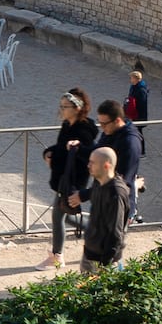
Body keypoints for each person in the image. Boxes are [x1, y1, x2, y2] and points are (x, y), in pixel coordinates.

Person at [42, 88, 99, 270]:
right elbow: (61, 147)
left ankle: (57, 256)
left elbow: (86, 154)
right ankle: (98, 231)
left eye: (65, 106)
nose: (62, 109)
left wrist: (75, 148)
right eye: (61, 106)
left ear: (77, 108)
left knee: (59, 216)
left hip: (73, 179)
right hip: (62, 177)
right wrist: (48, 152)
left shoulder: (85, 130)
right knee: (62, 215)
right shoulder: (67, 125)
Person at [80, 147, 130, 277]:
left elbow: (115, 234)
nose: (88, 165)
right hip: (89, 254)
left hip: (104, 261)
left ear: (106, 165)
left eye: (92, 162)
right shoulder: (98, 184)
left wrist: (105, 266)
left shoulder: (116, 193)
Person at [94, 100, 142, 219]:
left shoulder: (130, 143)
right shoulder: (110, 131)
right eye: (100, 123)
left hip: (119, 203)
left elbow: (122, 181)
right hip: (102, 197)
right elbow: (98, 150)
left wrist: (84, 195)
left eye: (104, 124)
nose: (102, 127)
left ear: (117, 120)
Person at [125, 62, 150, 130]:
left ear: (136, 79)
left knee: (137, 130)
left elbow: (142, 104)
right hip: (134, 113)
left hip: (138, 115)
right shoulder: (134, 86)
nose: (130, 80)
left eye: (132, 78)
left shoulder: (141, 90)